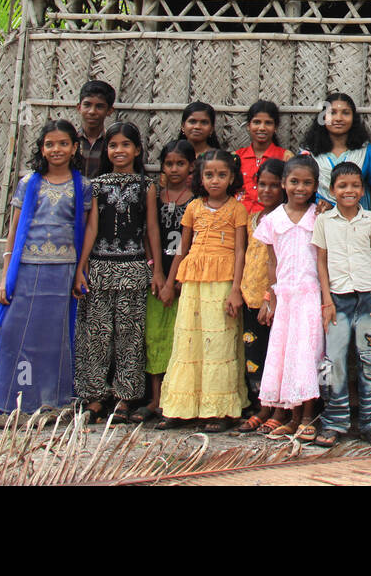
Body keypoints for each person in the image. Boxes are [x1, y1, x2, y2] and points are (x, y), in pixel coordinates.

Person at [0, 120, 90, 426]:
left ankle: (46, 405)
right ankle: (6, 406)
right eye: (50, 144)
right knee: (14, 335)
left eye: (63, 143)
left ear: (75, 147)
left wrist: (80, 271)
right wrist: (6, 275)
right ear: (42, 148)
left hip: (62, 273)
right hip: (25, 270)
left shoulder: (83, 187)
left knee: (51, 340)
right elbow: (14, 230)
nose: (57, 150)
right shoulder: (29, 183)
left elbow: (83, 229)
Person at [74, 122, 161, 423]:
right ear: (106, 151)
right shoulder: (95, 187)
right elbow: (92, 229)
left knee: (130, 335)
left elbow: (151, 229)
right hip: (99, 267)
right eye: (113, 145)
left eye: (126, 145)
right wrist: (82, 267)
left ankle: (126, 397)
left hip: (134, 268)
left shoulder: (146, 186)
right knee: (96, 334)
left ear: (137, 150)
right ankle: (95, 396)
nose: (119, 150)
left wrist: (157, 271)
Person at [157, 149, 249, 432]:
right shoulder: (193, 208)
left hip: (223, 282)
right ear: (199, 177)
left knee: (218, 343)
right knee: (188, 341)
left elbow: (240, 251)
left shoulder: (237, 209)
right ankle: (181, 407)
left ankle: (219, 410)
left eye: (222, 175)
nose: (215, 180)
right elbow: (180, 249)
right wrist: (170, 283)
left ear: (232, 178)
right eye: (209, 175)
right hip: (193, 282)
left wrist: (236, 289)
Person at [312, 160, 371, 447]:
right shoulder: (323, 221)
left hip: (368, 299)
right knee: (332, 364)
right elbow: (320, 261)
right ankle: (333, 421)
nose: (349, 190)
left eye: (355, 185)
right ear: (332, 190)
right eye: (342, 185)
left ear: (362, 189)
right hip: (338, 300)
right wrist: (326, 300)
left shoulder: (370, 219)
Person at [254, 154, 324, 441]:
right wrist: (270, 296)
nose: (300, 188)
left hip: (310, 296)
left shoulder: (319, 216)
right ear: (283, 183)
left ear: (316, 185)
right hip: (285, 297)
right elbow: (272, 262)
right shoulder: (272, 219)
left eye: (307, 183)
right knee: (284, 354)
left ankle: (307, 416)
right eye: (294, 181)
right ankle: (287, 413)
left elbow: (323, 258)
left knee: (307, 354)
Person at [134, 139, 194, 423]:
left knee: (178, 339)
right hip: (157, 275)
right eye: (169, 164)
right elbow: (151, 232)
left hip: (182, 277)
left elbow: (188, 243)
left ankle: (174, 398)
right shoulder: (156, 195)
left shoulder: (195, 199)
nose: (174, 169)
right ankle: (155, 398)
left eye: (180, 163)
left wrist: (174, 279)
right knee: (155, 336)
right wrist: (156, 272)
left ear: (191, 167)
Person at [237, 156, 285, 434]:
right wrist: (236, 290)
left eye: (274, 185)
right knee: (255, 355)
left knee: (277, 356)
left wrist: (271, 296)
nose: (267, 191)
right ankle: (261, 407)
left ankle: (278, 409)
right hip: (250, 297)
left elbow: (279, 261)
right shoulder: (252, 219)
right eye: (262, 185)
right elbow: (243, 255)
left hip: (276, 300)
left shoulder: (288, 218)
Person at [302, 92, 371, 206]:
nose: (338, 118)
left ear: (353, 118)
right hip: (320, 218)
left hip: (360, 218)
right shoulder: (310, 153)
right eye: (332, 113)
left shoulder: (365, 151)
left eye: (345, 113)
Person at [236, 99, 291, 216]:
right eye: (256, 122)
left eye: (268, 123)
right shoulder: (236, 157)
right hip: (238, 221)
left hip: (272, 220)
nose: (262, 128)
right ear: (248, 126)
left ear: (275, 127)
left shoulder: (285, 157)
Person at [76, 80, 116, 179]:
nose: (92, 111)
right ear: (79, 107)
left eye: (99, 106)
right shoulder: (70, 142)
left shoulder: (112, 144)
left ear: (109, 111)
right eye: (87, 105)